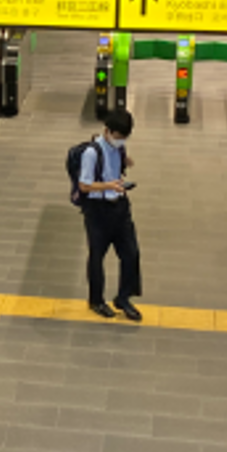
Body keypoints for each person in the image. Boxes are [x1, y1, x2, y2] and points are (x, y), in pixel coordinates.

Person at [78, 109, 143, 321]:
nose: (121, 141)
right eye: (118, 136)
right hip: (98, 211)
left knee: (131, 253)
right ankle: (96, 300)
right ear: (107, 131)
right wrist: (109, 185)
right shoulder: (91, 153)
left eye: (124, 137)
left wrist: (125, 161)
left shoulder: (119, 147)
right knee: (97, 256)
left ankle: (124, 298)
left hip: (120, 207)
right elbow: (84, 185)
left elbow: (115, 165)